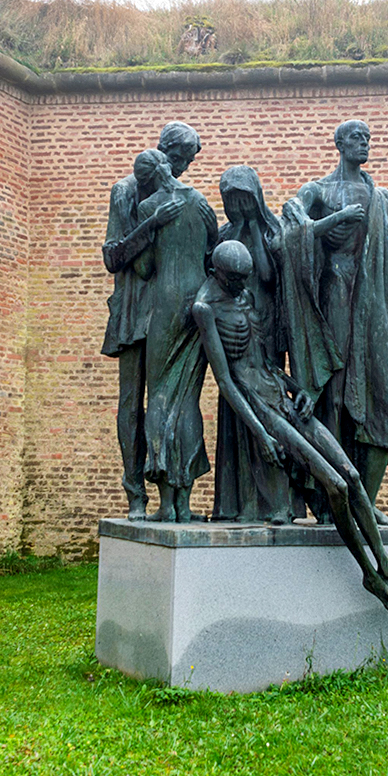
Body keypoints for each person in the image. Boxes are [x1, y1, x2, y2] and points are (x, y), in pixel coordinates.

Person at [193, 240, 388, 617]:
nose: (241, 285)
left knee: (349, 474)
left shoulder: (245, 295)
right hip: (260, 407)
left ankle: (386, 564)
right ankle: (369, 574)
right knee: (333, 485)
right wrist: (261, 433)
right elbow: (227, 382)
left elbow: (263, 359)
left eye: (244, 278)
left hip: (281, 394)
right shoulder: (205, 308)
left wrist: (297, 388)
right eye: (235, 279)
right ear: (218, 272)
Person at [280, 120, 388, 524]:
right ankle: (332, 501)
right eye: (357, 138)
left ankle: (366, 505)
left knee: (383, 401)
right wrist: (327, 224)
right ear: (339, 144)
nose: (365, 144)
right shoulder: (318, 190)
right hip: (333, 297)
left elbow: (387, 255)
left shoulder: (380, 197)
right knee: (334, 399)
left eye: (369, 139)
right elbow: (286, 231)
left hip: (369, 305)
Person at [101, 122, 205, 520]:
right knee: (132, 401)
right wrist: (152, 225)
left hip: (172, 308)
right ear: (164, 150)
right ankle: (135, 495)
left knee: (175, 400)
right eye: (180, 159)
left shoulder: (183, 196)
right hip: (134, 307)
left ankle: (175, 497)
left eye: (188, 162)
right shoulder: (126, 190)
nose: (182, 168)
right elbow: (113, 257)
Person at [133, 149, 219, 522]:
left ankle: (166, 504)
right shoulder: (199, 201)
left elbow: (144, 266)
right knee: (188, 399)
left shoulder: (148, 206)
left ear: (147, 179)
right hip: (197, 301)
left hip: (166, 306)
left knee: (162, 398)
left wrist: (150, 227)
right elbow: (212, 251)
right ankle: (185, 505)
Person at [211, 166, 292, 524]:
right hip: (233, 334)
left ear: (255, 198)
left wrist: (253, 229)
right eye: (231, 201)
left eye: (244, 200)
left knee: (270, 411)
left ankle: (276, 503)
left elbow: (267, 274)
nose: (237, 207)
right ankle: (236, 504)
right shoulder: (223, 235)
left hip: (265, 334)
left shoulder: (271, 231)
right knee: (236, 413)